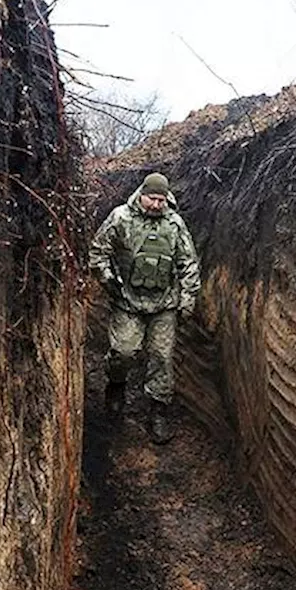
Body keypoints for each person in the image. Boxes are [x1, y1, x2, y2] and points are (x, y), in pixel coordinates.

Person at [88, 172, 201, 444]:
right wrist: (108, 281)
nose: (156, 204)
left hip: (164, 304)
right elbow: (97, 252)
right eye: (152, 198)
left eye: (161, 199)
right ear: (142, 194)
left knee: (161, 358)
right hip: (128, 301)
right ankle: (116, 386)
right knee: (123, 353)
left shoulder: (174, 224)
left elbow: (188, 262)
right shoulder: (120, 218)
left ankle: (158, 411)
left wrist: (188, 298)